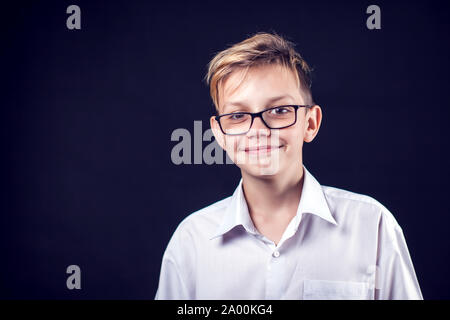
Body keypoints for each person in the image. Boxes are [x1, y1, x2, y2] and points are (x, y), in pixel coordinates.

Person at [155, 32, 423, 299]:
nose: (258, 129)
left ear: (310, 123)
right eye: (238, 115)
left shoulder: (372, 226)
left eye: (279, 111)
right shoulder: (191, 242)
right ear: (220, 134)